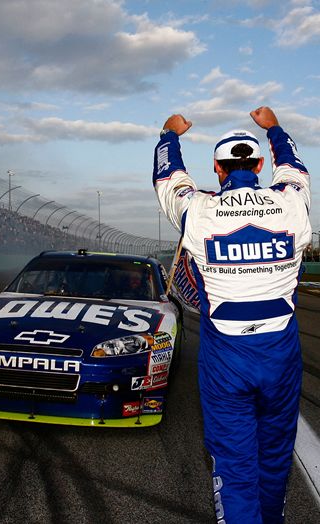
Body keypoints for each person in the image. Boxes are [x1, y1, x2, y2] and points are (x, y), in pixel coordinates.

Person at [153, 106, 311, 524]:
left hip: (227, 360)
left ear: (218, 169)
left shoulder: (198, 212)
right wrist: (274, 128)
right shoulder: (293, 204)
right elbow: (294, 166)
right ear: (260, 165)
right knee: (274, 458)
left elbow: (169, 179)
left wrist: (170, 135)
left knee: (235, 467)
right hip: (280, 356)